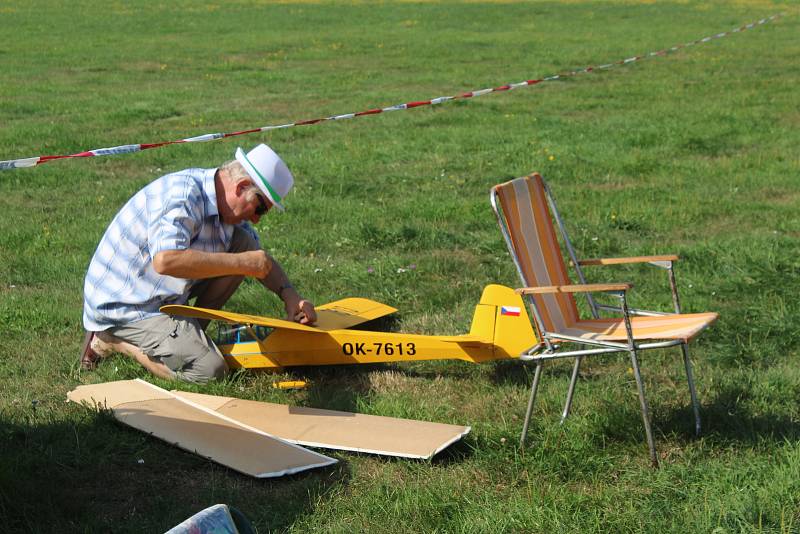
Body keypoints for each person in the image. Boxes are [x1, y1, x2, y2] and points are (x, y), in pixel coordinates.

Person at [80, 143, 316, 383]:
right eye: (261, 208)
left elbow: (259, 259)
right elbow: (165, 260)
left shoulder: (225, 209)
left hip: (159, 291)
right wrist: (242, 262)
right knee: (209, 371)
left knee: (243, 247)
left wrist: (291, 296)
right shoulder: (183, 195)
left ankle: (188, 339)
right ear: (242, 186)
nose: (256, 219)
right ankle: (113, 339)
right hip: (127, 303)